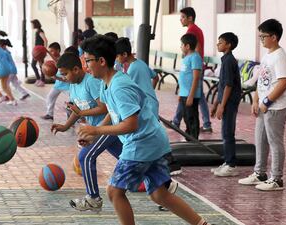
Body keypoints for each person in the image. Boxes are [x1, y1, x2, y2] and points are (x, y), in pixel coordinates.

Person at [77, 35, 210, 225]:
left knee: (114, 191)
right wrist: (94, 132)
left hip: (141, 144)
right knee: (159, 195)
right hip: (153, 142)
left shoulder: (119, 86)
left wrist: (96, 131)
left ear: (101, 61)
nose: (86, 65)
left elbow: (131, 124)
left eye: (87, 60)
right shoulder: (107, 84)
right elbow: (112, 113)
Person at [51, 52, 123, 212]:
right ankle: (164, 182)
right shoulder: (73, 85)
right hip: (96, 130)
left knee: (86, 156)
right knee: (128, 157)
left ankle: (93, 198)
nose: (64, 77)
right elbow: (77, 110)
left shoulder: (91, 82)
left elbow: (104, 108)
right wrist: (65, 126)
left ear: (76, 69)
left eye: (65, 74)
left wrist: (92, 128)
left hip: (108, 126)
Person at [238, 19, 286, 191]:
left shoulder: (280, 56)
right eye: (259, 36)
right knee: (260, 140)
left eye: (263, 36)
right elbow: (262, 80)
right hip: (263, 106)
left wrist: (267, 101)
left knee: (275, 142)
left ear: (274, 37)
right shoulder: (267, 55)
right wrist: (255, 100)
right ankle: (260, 173)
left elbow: (284, 82)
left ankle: (277, 179)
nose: (261, 39)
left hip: (275, 107)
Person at [172, 7, 212, 133]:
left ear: (190, 18)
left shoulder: (192, 30)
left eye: (183, 17)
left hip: (194, 69)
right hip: (193, 68)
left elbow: (197, 49)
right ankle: (204, 123)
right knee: (196, 95)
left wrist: (194, 64)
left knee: (193, 95)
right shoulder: (195, 29)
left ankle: (178, 122)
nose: (181, 19)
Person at [210, 32, 241, 177]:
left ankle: (231, 164)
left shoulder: (229, 61)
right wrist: (216, 103)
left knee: (228, 133)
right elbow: (222, 86)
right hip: (224, 101)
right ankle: (227, 161)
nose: (218, 44)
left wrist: (222, 106)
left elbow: (229, 85)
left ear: (229, 45)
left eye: (221, 42)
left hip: (229, 103)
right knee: (225, 132)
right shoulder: (225, 60)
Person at [115, 37, 159, 117]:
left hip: (146, 108)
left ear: (124, 54)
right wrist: (150, 92)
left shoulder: (132, 70)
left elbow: (127, 91)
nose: (116, 59)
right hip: (153, 103)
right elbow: (156, 77)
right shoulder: (141, 63)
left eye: (117, 56)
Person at [178, 33, 202, 139]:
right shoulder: (186, 57)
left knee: (192, 117)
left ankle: (194, 139)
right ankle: (189, 137)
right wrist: (180, 93)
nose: (180, 47)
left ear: (187, 46)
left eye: (182, 45)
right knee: (186, 117)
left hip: (190, 95)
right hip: (184, 93)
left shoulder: (195, 57)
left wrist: (191, 96)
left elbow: (196, 77)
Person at [41, 42, 69, 120]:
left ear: (58, 50)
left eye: (52, 51)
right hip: (58, 85)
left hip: (67, 86)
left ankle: (73, 117)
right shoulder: (53, 62)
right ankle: (50, 114)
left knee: (73, 101)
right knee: (50, 97)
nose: (52, 53)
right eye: (50, 51)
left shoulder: (62, 59)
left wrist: (47, 51)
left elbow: (65, 79)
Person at [31, 19, 48, 87]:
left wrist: (44, 50)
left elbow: (45, 40)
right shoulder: (37, 31)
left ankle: (42, 80)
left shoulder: (40, 31)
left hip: (40, 52)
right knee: (33, 64)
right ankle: (38, 79)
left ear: (35, 24)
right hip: (37, 51)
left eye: (32, 24)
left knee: (41, 66)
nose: (31, 26)